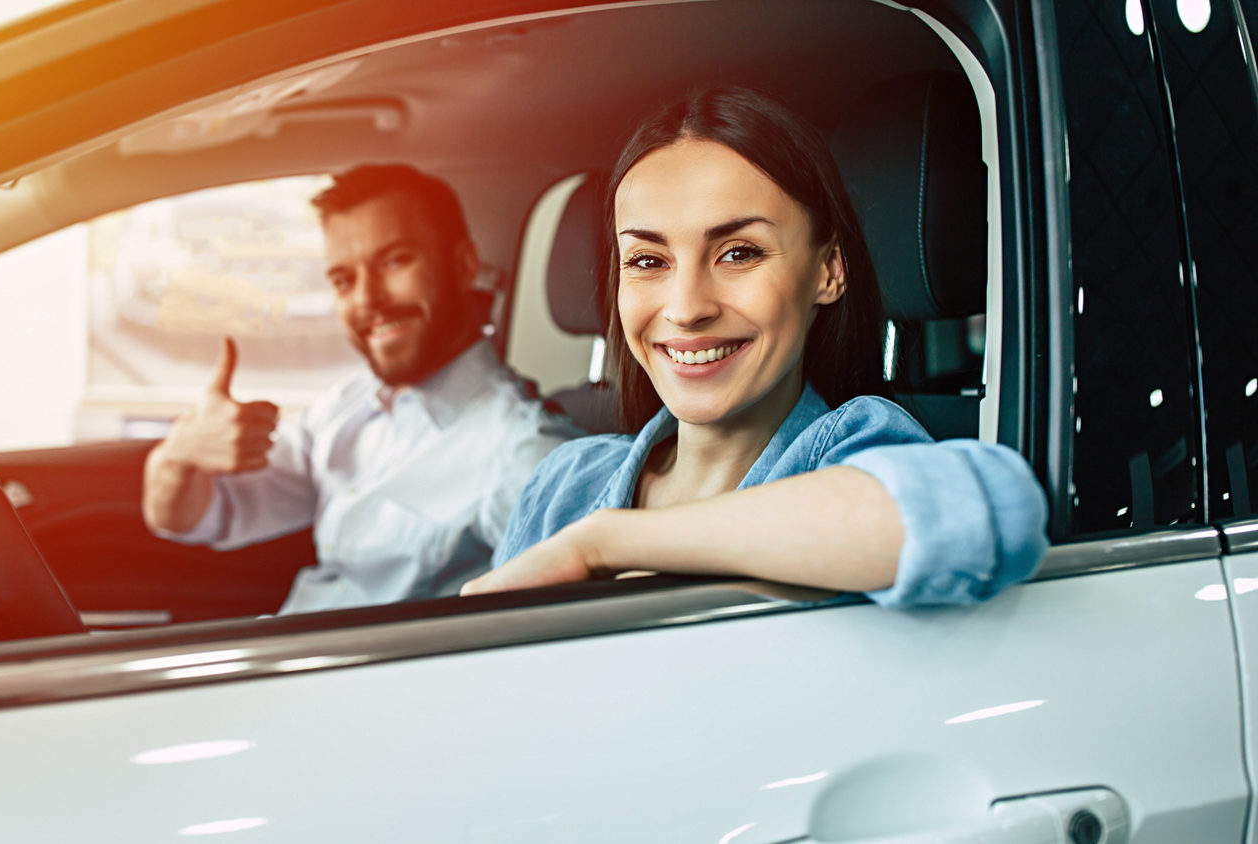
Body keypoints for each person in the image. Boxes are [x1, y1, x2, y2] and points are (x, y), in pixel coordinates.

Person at [461, 86, 1046, 605]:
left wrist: (605, 544)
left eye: (738, 253)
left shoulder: (851, 447)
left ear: (828, 270)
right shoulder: (566, 482)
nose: (687, 307)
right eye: (647, 261)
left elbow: (970, 512)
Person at [143, 164, 582, 614]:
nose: (368, 299)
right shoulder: (342, 410)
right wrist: (178, 458)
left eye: (395, 261)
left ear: (464, 266)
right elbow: (190, 518)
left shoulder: (523, 450)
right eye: (344, 280)